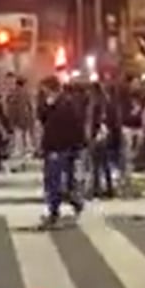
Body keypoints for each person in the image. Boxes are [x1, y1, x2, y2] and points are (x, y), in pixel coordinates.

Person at [37, 80, 87, 228]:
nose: (43, 93)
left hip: (59, 147)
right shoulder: (52, 104)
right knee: (58, 180)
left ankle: (56, 212)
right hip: (58, 147)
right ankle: (71, 203)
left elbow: (72, 126)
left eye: (44, 90)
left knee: (55, 181)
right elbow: (42, 117)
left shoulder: (66, 105)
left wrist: (77, 145)